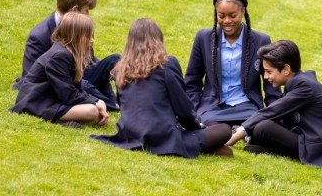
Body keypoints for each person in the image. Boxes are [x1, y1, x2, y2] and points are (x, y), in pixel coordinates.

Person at [91, 18, 233, 157]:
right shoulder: (167, 64)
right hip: (162, 137)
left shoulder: (120, 68)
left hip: (130, 134)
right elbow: (183, 108)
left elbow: (124, 104)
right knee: (224, 130)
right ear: (158, 39)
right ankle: (205, 147)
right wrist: (197, 126)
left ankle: (209, 146)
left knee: (211, 127)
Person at [226, 40, 322, 171]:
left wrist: (238, 134)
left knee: (263, 127)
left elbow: (273, 111)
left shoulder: (304, 86)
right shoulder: (297, 82)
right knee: (262, 126)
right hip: (310, 137)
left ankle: (261, 145)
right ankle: (262, 146)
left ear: (286, 69)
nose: (266, 77)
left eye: (269, 72)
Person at [14, 0, 120, 111]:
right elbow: (28, 78)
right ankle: (111, 107)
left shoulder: (79, 29)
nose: (88, 15)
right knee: (84, 84)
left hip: (80, 76)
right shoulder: (39, 35)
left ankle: (124, 101)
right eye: (86, 11)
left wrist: (113, 99)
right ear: (75, 10)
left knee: (116, 60)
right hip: (61, 82)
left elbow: (91, 63)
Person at [184, 0, 281, 126]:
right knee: (211, 127)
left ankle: (243, 130)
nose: (227, 21)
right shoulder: (204, 38)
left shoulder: (261, 40)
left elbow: (271, 84)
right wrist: (193, 112)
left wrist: (275, 115)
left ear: (243, 11)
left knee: (258, 125)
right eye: (221, 16)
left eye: (233, 15)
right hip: (213, 107)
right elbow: (192, 82)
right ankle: (236, 131)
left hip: (247, 106)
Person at [11, 12, 110, 128]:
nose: (92, 40)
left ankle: (66, 117)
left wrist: (97, 100)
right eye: (87, 36)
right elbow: (68, 94)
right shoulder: (60, 56)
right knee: (91, 111)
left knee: (96, 107)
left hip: (53, 96)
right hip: (37, 101)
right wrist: (95, 103)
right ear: (75, 36)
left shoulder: (70, 52)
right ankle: (58, 119)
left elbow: (75, 88)